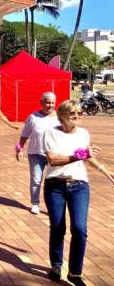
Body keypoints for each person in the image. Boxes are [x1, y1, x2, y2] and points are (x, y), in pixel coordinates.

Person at [43, 100, 113, 286]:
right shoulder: (50, 133)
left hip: (79, 185)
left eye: (80, 113)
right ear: (62, 116)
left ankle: (74, 273)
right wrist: (79, 156)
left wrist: (104, 170)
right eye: (72, 113)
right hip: (55, 186)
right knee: (58, 228)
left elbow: (86, 156)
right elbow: (53, 160)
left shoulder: (83, 133)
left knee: (80, 229)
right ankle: (56, 265)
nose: (77, 116)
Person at [15, 92, 59, 214]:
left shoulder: (59, 118)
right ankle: (35, 203)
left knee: (53, 181)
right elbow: (24, 135)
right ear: (42, 103)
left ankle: (52, 205)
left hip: (54, 155)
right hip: (35, 153)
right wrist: (20, 149)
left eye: (52, 103)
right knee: (36, 179)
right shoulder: (33, 117)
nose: (50, 105)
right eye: (47, 102)